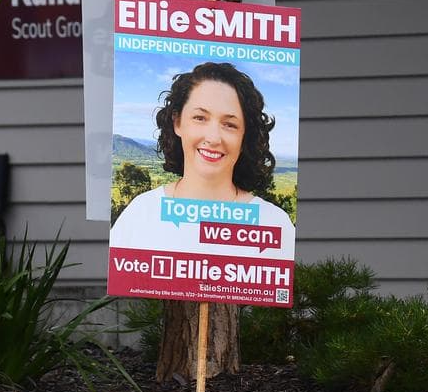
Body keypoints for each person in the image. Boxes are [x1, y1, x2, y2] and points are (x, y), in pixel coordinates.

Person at [110, 62, 294, 258]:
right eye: (200, 118)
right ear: (178, 123)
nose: (213, 138)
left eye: (230, 124)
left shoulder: (275, 225)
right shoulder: (140, 214)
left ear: (244, 137)